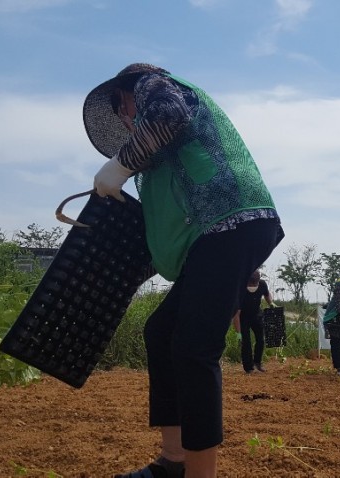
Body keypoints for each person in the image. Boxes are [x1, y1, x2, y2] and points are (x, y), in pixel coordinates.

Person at [83, 63, 284, 478]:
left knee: (195, 347)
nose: (124, 119)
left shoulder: (155, 84)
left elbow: (169, 114)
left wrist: (119, 167)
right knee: (161, 331)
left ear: (127, 92)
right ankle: (173, 462)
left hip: (233, 222)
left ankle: (199, 474)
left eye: (122, 108)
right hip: (214, 236)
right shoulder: (160, 149)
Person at [231, 270, 276, 373]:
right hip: (243, 318)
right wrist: (238, 334)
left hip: (256, 315)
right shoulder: (241, 290)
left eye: (254, 284)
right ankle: (249, 368)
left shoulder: (263, 284)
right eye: (250, 284)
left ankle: (258, 362)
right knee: (245, 343)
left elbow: (267, 294)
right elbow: (236, 315)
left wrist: (271, 303)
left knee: (261, 339)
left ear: (258, 282)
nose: (252, 286)